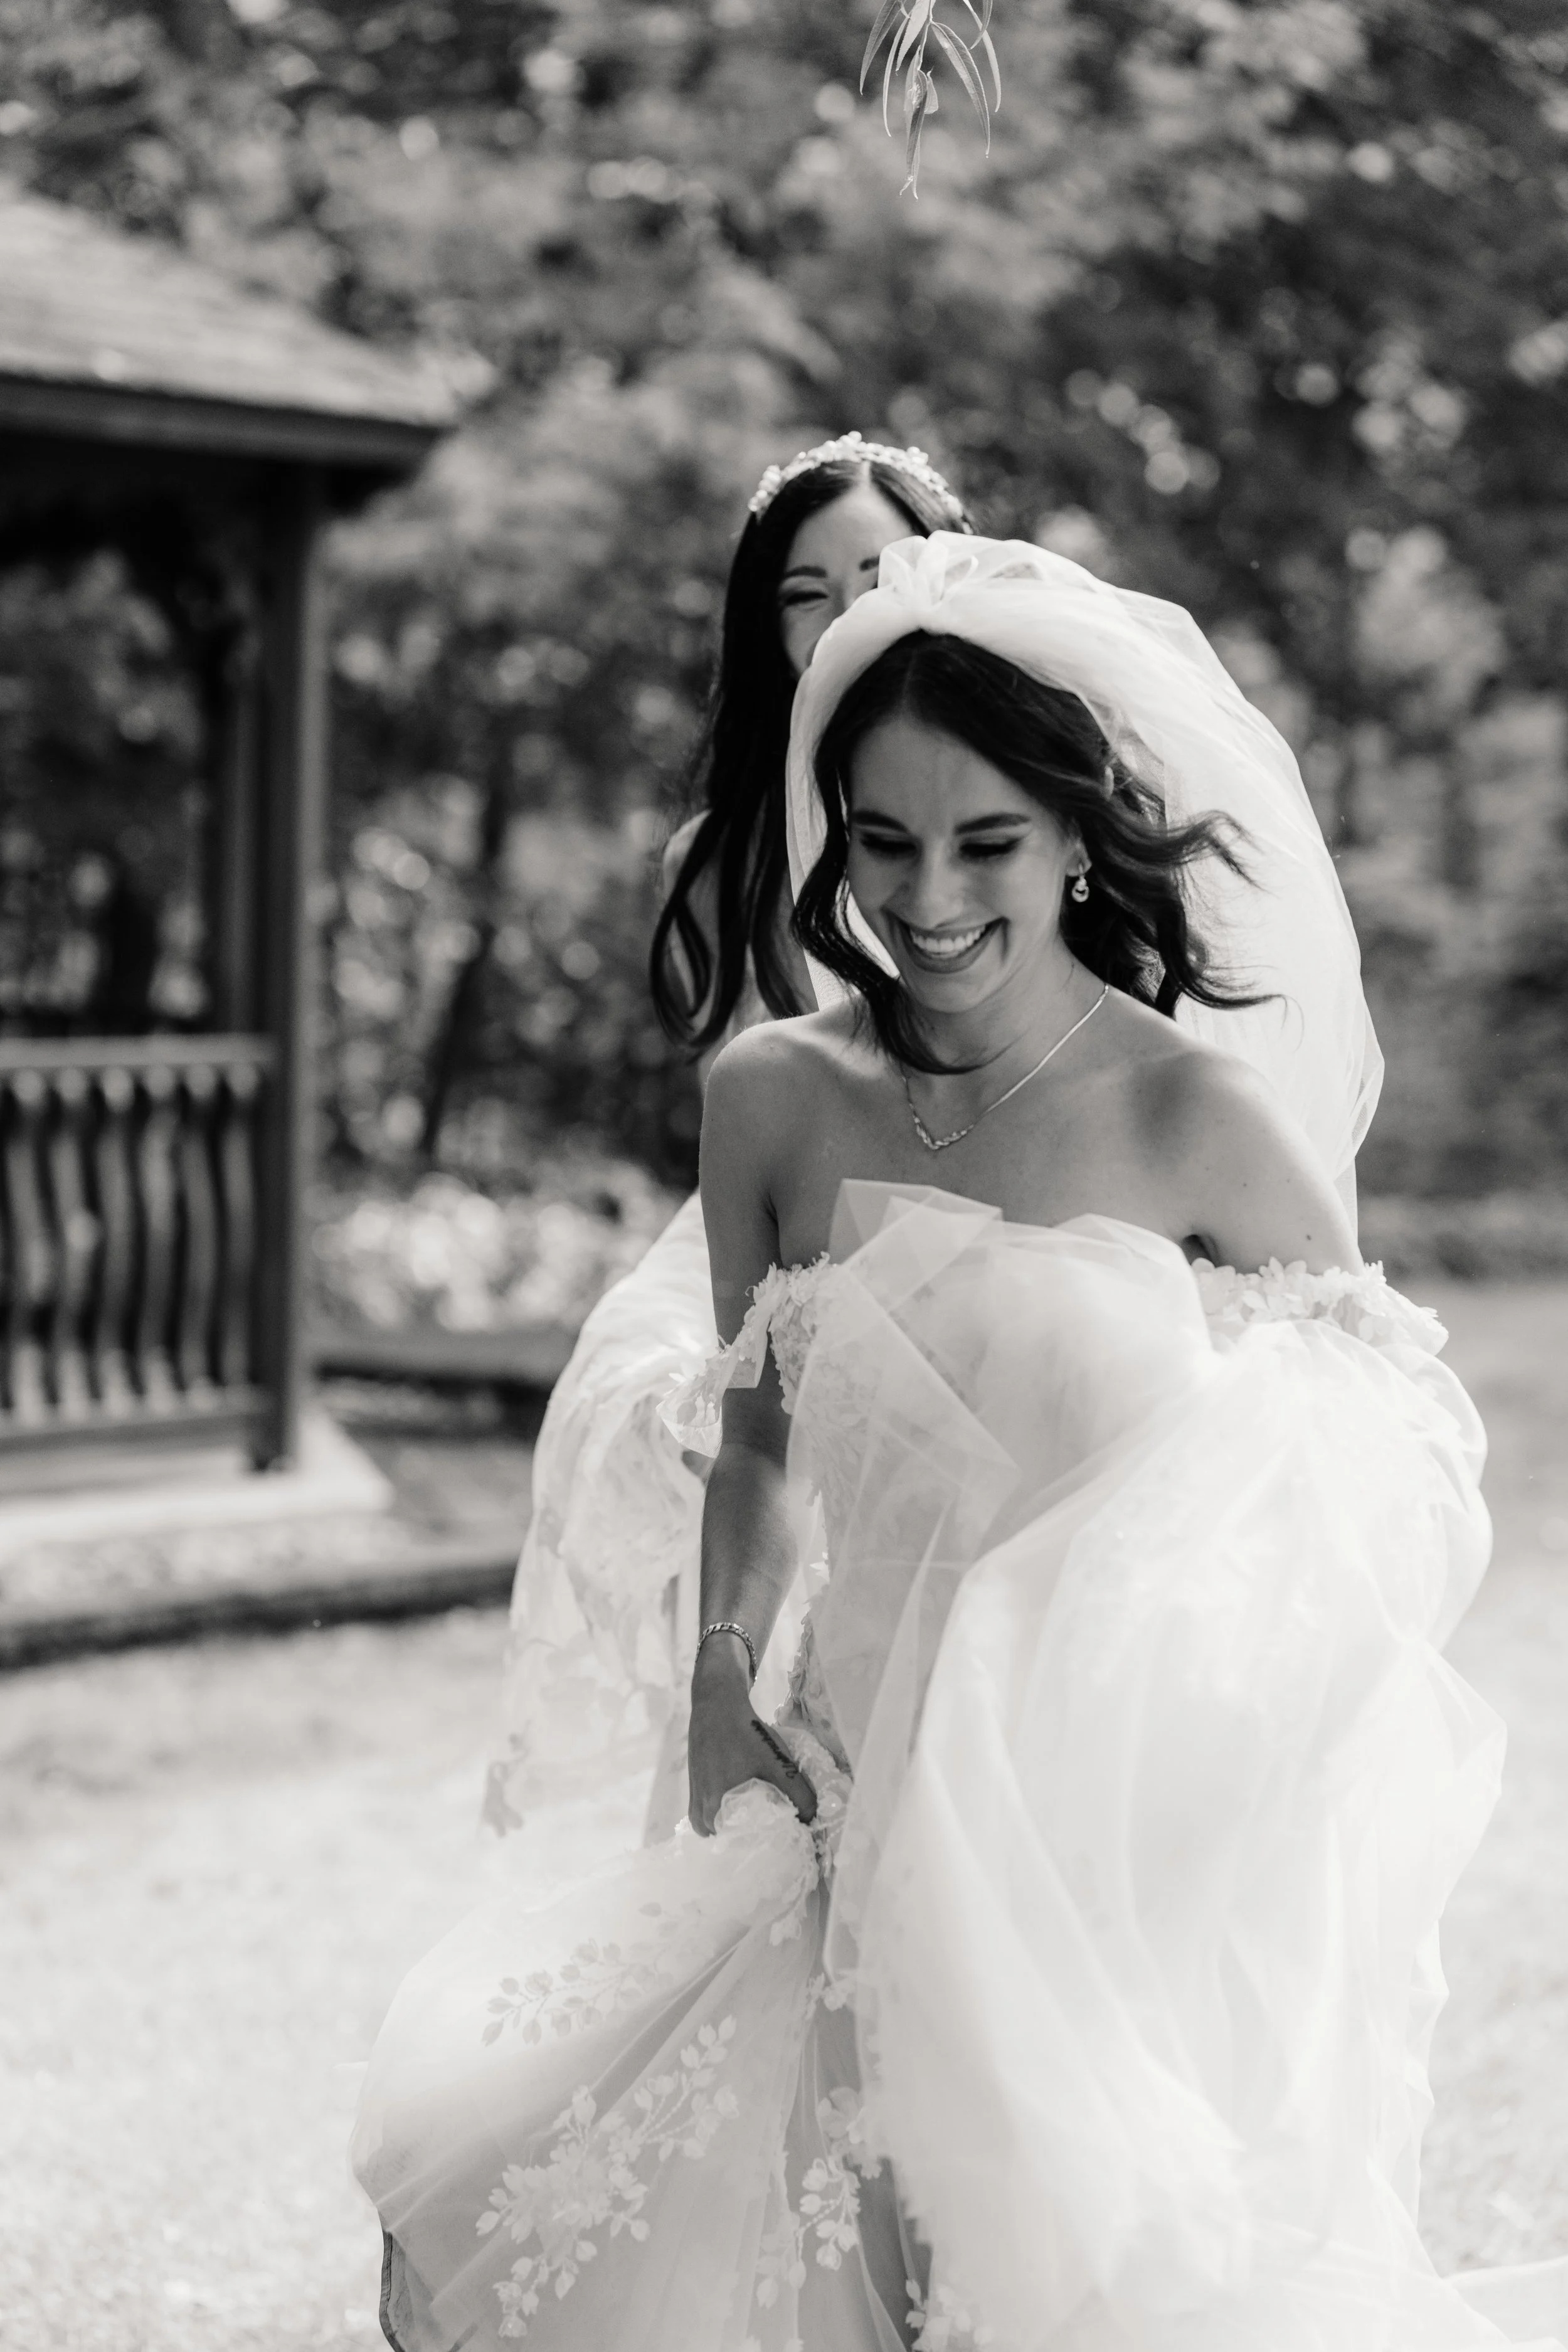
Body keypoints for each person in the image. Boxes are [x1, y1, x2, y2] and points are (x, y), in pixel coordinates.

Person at [354, 536, 1565, 2352]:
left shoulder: (1195, 1115)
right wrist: (714, 1673)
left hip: (1097, 1835)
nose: (926, 898)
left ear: (1078, 835)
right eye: (885, 840)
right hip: (843, 1790)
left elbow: (1394, 1438)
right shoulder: (771, 1097)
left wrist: (1139, 1646)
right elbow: (757, 1438)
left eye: (983, 840)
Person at [482, 435, 973, 1846]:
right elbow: (755, 1103)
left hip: (974, 1206)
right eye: (801, 593)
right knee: (689, 1440)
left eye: (875, 573)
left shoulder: (1013, 808)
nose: (842, 615)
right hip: (796, 1221)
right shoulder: (727, 852)